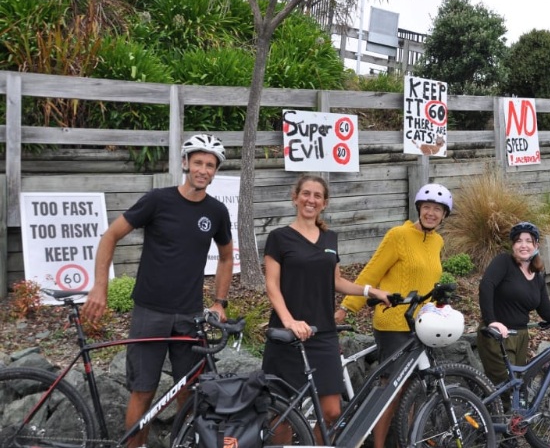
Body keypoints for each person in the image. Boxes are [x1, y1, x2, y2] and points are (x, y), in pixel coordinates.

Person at [81, 133, 234, 448]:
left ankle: (184, 443)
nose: (204, 170)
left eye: (210, 165)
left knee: (189, 390)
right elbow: (109, 236)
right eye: (198, 163)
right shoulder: (157, 200)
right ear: (185, 163)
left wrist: (220, 302)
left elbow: (227, 256)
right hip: (150, 311)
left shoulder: (217, 212)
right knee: (143, 390)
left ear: (215, 170)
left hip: (190, 315)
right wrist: (100, 287)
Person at [262, 174, 389, 443]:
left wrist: (370, 290)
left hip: (323, 334)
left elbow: (337, 281)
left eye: (317, 196)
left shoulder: (330, 238)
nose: (311, 199)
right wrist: (289, 321)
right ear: (295, 197)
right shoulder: (279, 237)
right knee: (282, 412)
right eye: (306, 194)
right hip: (287, 336)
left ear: (325, 203)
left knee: (332, 411)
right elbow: (272, 286)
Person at [334, 183, 453, 448]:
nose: (431, 213)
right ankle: (377, 445)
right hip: (392, 323)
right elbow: (371, 273)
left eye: (437, 209)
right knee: (391, 388)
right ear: (418, 209)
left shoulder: (438, 241)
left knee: (410, 390)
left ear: (444, 215)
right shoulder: (398, 235)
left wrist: (438, 309)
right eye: (426, 207)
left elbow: (428, 285)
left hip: (421, 325)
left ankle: (404, 442)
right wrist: (346, 308)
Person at [477, 221, 550, 389]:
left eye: (528, 241)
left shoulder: (538, 277)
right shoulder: (504, 262)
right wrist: (491, 321)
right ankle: (485, 414)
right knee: (505, 388)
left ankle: (506, 415)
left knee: (516, 389)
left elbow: (547, 313)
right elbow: (486, 286)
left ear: (536, 245)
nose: (523, 245)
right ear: (513, 245)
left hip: (521, 337)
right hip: (497, 335)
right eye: (518, 241)